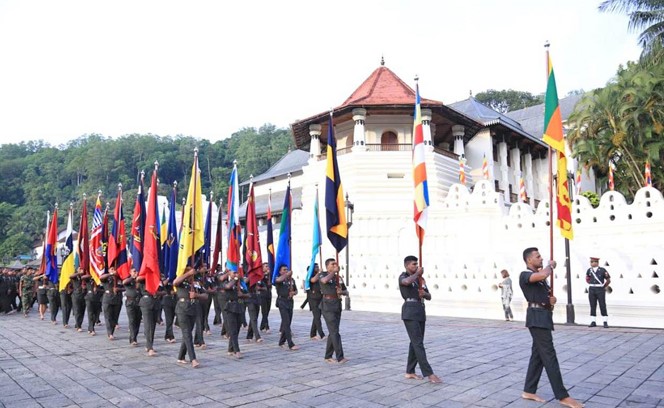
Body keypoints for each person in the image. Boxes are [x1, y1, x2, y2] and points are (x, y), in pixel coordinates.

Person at [519, 247, 584, 408]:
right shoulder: (525, 275)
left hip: (544, 316)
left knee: (538, 355)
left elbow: (542, 291)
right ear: (529, 260)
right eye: (538, 256)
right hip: (536, 319)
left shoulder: (541, 280)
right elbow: (542, 274)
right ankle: (562, 396)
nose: (541, 258)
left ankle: (529, 390)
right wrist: (551, 266)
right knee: (549, 356)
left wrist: (550, 301)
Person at [399, 255, 441, 384]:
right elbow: (405, 283)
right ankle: (429, 373)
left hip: (420, 310)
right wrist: (417, 273)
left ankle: (410, 371)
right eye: (413, 264)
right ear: (407, 265)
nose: (416, 266)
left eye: (417, 264)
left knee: (415, 342)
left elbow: (429, 296)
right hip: (410, 311)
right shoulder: (403, 276)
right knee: (418, 343)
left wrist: (424, 294)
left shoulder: (420, 279)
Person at [173, 266, 207, 368]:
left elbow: (206, 296)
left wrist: (197, 295)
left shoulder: (196, 284)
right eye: (189, 272)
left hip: (193, 309)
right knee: (187, 334)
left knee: (187, 334)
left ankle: (181, 356)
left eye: (192, 272)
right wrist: (187, 274)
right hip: (182, 309)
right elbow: (174, 283)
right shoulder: (181, 283)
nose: (192, 274)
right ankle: (193, 359)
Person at [319, 259, 348, 363]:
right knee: (335, 332)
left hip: (337, 305)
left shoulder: (338, 278)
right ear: (328, 266)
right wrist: (334, 272)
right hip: (327, 305)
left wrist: (342, 291)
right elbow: (324, 281)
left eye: (336, 263)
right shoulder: (322, 275)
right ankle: (340, 357)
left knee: (333, 331)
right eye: (333, 264)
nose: (335, 265)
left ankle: (328, 356)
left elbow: (346, 291)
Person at [275, 264, 299, 351]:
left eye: (287, 269)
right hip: (282, 302)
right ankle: (290, 343)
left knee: (288, 322)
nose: (286, 271)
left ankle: (281, 341)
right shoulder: (278, 278)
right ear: (280, 271)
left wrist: (294, 293)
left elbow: (296, 290)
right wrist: (287, 274)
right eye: (284, 270)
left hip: (290, 302)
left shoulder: (291, 280)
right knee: (286, 322)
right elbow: (278, 280)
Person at [586, 256, 610, 328]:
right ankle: (593, 321)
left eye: (592, 262)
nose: (591, 263)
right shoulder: (589, 270)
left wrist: (603, 286)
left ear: (596, 262)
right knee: (592, 305)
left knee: (602, 305)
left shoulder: (602, 270)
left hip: (600, 289)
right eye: (591, 262)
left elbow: (608, 280)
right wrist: (591, 283)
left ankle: (605, 321)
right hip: (592, 289)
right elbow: (587, 278)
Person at [122, 268, 142, 346]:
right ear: (130, 272)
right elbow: (124, 282)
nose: (135, 273)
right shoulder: (129, 280)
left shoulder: (140, 281)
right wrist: (133, 278)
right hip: (130, 302)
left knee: (138, 320)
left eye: (137, 271)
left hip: (139, 302)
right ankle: (132, 339)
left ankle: (135, 336)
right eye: (134, 271)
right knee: (132, 320)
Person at [306, 263, 325, 340]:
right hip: (313, 299)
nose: (317, 268)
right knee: (317, 317)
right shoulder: (309, 276)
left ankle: (312, 334)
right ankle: (322, 334)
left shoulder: (319, 276)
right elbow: (313, 280)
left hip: (320, 298)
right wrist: (319, 273)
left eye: (318, 267)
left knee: (317, 317)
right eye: (316, 267)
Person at [259, 263, 272, 333]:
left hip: (268, 294)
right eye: (266, 266)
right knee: (264, 311)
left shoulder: (269, 275)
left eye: (268, 266)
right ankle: (267, 327)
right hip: (262, 295)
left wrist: (269, 275)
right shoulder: (261, 275)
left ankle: (262, 325)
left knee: (267, 311)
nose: (267, 268)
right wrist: (265, 274)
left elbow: (270, 284)